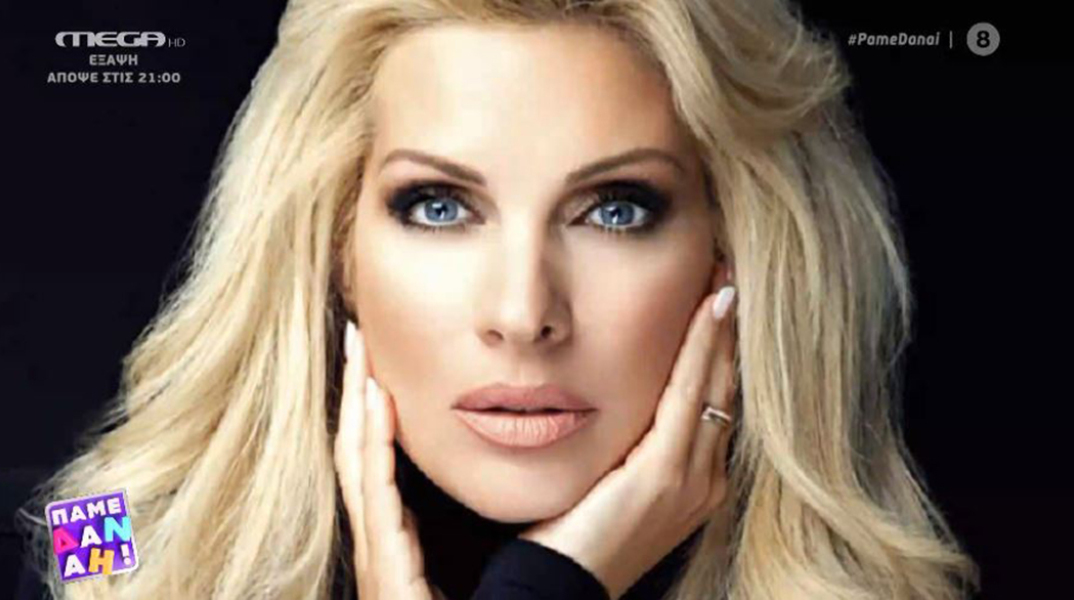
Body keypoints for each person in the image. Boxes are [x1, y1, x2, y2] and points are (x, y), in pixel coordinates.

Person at [15, 1, 980, 599]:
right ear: (337, 246)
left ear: (731, 255)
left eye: (615, 210)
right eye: (438, 206)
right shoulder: (102, 538)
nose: (523, 315)